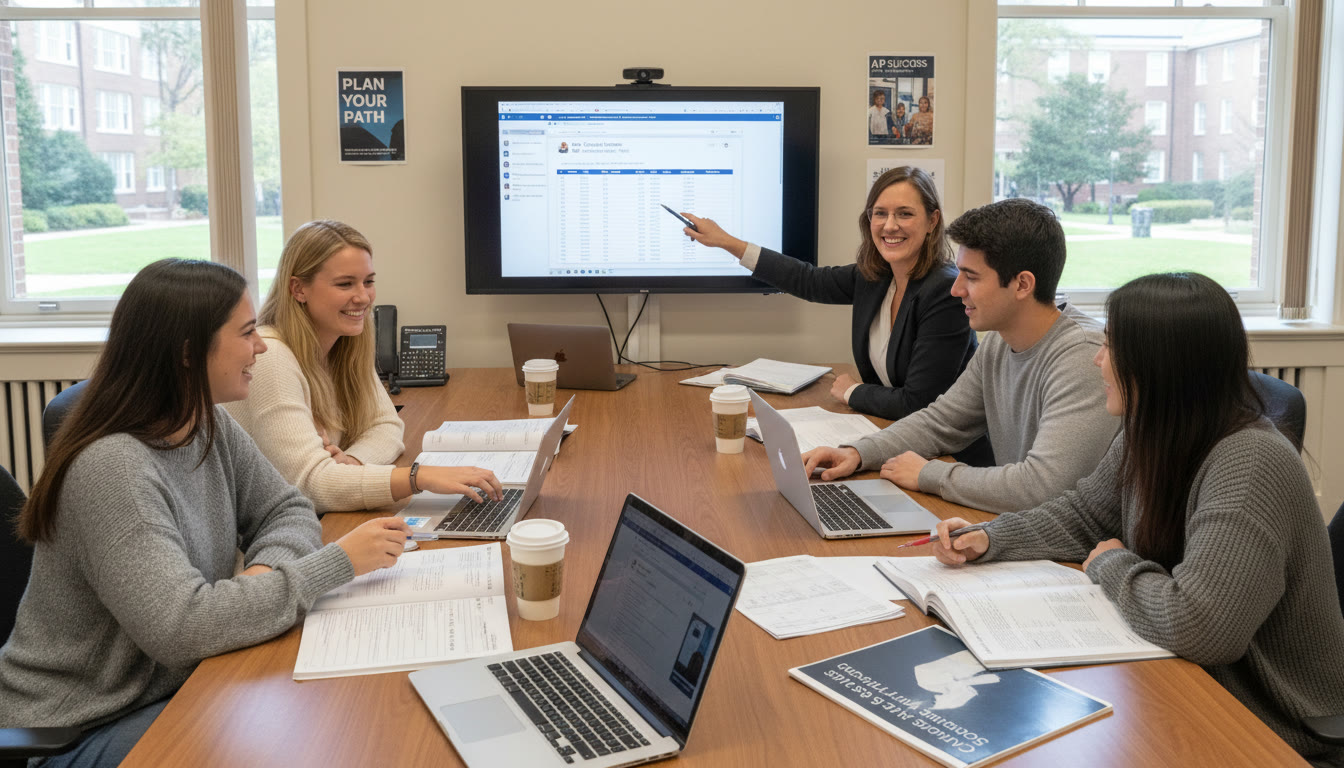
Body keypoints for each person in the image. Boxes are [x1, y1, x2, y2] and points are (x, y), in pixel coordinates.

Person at [0, 259, 411, 768]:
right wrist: (334, 563)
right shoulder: (114, 469)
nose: (260, 346)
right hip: (79, 727)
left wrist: (263, 578)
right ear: (190, 354)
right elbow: (184, 629)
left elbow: (287, 508)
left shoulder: (205, 421)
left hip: (179, 682)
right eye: (246, 333)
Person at [930, 272, 1344, 767]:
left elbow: (1200, 627)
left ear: (1158, 365)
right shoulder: (1152, 428)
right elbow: (1086, 514)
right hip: (1186, 679)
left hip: (1270, 724)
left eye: (1110, 347)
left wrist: (1113, 565)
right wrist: (990, 538)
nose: (1097, 359)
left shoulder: (1251, 463)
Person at [802, 197, 1119, 513]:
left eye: (972, 277)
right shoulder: (998, 341)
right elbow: (941, 422)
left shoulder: (1085, 358)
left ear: (1022, 284)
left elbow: (1043, 487)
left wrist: (929, 473)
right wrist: (858, 454)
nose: (956, 290)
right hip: (1018, 529)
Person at [683, 167, 990, 464]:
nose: (889, 225)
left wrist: (853, 391)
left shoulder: (945, 291)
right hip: (897, 441)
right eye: (880, 213)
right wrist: (727, 242)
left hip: (949, 459)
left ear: (932, 220)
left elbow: (918, 403)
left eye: (905, 213)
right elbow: (809, 280)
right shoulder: (875, 277)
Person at [224, 220, 502, 512]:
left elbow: (386, 425)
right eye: (345, 284)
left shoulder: (344, 342)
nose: (363, 297)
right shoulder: (272, 357)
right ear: (298, 289)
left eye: (368, 281)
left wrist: (352, 462)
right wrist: (417, 478)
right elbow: (309, 485)